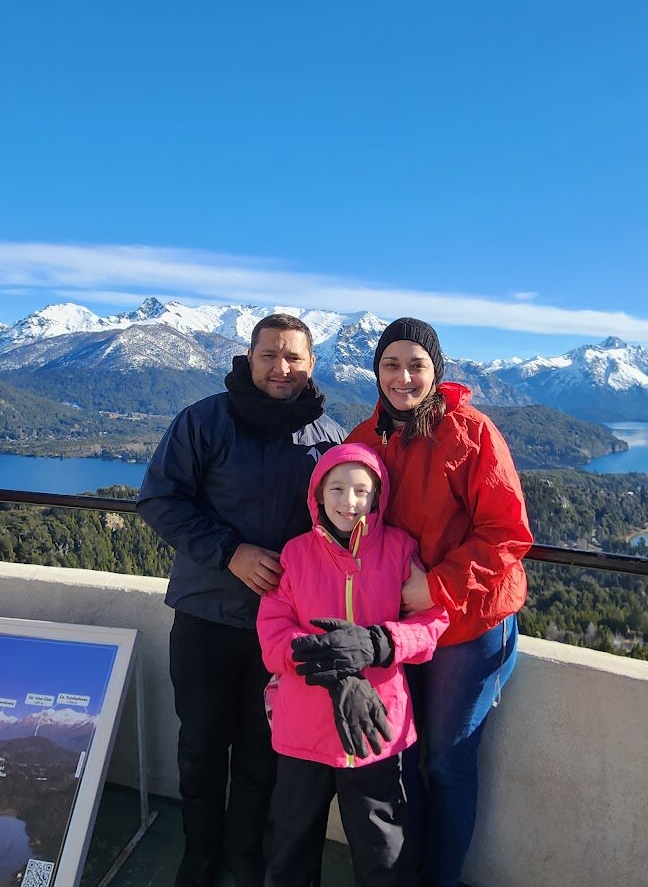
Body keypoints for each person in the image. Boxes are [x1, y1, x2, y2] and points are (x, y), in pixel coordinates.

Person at [138, 314, 346, 887]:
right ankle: (200, 855)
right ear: (248, 358)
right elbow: (158, 499)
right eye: (269, 355)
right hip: (206, 616)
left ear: (311, 364)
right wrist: (230, 552)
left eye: (293, 357)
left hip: (281, 629)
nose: (281, 367)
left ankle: (245, 855)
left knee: (264, 751)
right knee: (201, 746)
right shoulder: (205, 421)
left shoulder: (328, 439)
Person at [343, 317, 532, 887]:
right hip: (401, 627)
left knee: (447, 761)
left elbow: (507, 532)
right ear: (376, 372)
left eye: (416, 365)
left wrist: (437, 586)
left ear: (436, 370)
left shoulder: (471, 433)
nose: (403, 377)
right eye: (391, 365)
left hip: (467, 624)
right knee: (403, 756)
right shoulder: (365, 437)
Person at [256, 443, 448, 887]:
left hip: (376, 727)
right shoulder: (295, 554)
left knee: (384, 849)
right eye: (337, 489)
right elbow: (273, 636)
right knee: (290, 845)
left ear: (378, 496)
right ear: (318, 495)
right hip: (304, 730)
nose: (349, 502)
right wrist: (333, 662)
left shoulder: (399, 549)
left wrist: (380, 643)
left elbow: (431, 622)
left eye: (362, 490)